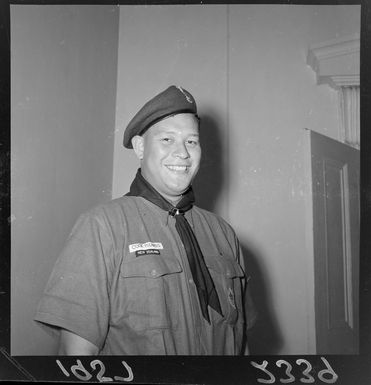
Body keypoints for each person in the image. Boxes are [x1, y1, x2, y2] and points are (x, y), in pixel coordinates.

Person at [34, 85, 257, 355]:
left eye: (191, 141)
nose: (183, 153)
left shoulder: (223, 233)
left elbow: (241, 344)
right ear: (140, 146)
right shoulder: (101, 227)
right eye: (167, 140)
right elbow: (76, 359)